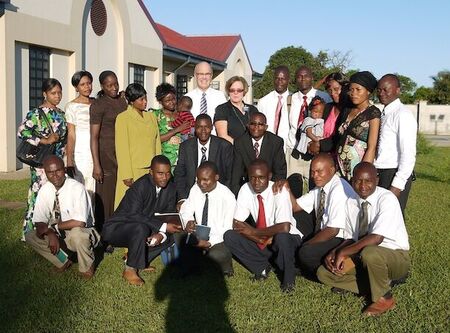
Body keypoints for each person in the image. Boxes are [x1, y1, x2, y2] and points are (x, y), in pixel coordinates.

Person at [317, 162, 410, 316]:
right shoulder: (351, 202)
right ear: (352, 181)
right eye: (358, 180)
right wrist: (335, 252)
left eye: (368, 181)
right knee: (324, 272)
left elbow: (377, 238)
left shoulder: (387, 199)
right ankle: (378, 285)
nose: (363, 185)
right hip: (364, 257)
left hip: (395, 258)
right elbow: (351, 238)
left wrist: (344, 252)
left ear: (377, 181)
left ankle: (384, 298)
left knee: (370, 252)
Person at [101, 155, 182, 286]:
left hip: (145, 226)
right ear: (151, 172)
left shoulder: (171, 188)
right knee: (141, 228)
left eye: (168, 173)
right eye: (160, 173)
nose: (165, 177)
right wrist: (162, 226)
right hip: (117, 229)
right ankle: (130, 269)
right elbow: (134, 215)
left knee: (172, 235)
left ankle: (139, 259)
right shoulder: (140, 186)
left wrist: (161, 234)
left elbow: (166, 215)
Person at [224, 159, 303, 293]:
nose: (256, 182)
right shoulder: (246, 189)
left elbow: (284, 227)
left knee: (282, 238)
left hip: (288, 240)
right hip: (264, 240)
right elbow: (237, 223)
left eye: (261, 178)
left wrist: (254, 232)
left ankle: (288, 280)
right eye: (252, 177)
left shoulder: (279, 190)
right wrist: (258, 238)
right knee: (229, 236)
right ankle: (262, 267)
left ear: (269, 176)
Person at [274, 153, 356, 277]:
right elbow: (296, 206)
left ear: (332, 170)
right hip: (323, 229)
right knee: (294, 217)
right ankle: (296, 251)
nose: (314, 176)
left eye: (319, 172)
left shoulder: (338, 190)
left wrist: (308, 244)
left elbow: (333, 230)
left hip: (340, 239)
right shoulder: (321, 186)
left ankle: (314, 270)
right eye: (312, 172)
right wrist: (287, 188)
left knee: (306, 253)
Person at [25, 156, 99, 279]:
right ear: (45, 173)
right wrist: (49, 232)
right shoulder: (45, 190)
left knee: (77, 234)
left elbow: (79, 222)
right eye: (50, 172)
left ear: (64, 170)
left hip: (82, 232)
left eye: (58, 171)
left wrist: (53, 228)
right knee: (31, 236)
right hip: (59, 232)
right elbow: (39, 221)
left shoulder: (77, 188)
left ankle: (87, 266)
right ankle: (63, 261)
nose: (55, 176)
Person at [18, 78, 67, 237]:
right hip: (41, 163)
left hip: (58, 161)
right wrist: (44, 140)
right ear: (44, 94)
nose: (57, 96)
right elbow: (22, 132)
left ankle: (52, 231)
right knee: (38, 194)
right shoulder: (35, 114)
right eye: (53, 93)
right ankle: (30, 233)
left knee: (55, 195)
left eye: (59, 92)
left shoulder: (61, 114)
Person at [179, 162, 236, 275]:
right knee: (178, 236)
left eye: (205, 180)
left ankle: (225, 267)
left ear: (216, 177)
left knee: (216, 255)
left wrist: (208, 243)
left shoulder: (228, 197)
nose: (201, 183)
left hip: (219, 239)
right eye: (198, 179)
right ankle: (197, 260)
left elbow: (228, 229)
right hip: (199, 234)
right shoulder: (195, 189)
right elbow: (186, 209)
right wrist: (189, 221)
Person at [89, 70, 127, 229]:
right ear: (102, 86)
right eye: (109, 85)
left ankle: (118, 228)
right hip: (106, 156)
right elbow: (94, 137)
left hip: (122, 153)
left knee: (120, 194)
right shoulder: (98, 105)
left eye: (116, 84)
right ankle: (104, 232)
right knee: (106, 196)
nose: (114, 88)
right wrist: (96, 165)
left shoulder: (122, 100)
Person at [114, 83, 161, 208]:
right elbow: (121, 147)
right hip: (132, 170)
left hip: (150, 169)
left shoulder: (151, 117)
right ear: (131, 101)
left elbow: (157, 143)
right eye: (141, 99)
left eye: (146, 98)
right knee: (129, 205)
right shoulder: (123, 118)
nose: (145, 102)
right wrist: (126, 174)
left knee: (148, 204)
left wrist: (159, 166)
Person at [375, 74, 417, 214]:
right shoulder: (385, 113)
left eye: (386, 90)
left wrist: (397, 186)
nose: (381, 93)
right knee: (380, 219)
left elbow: (408, 153)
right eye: (379, 90)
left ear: (397, 91)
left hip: (393, 173)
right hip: (380, 173)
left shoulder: (402, 114)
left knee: (392, 220)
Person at [174, 114, 233, 202]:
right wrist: (182, 198)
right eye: (199, 127)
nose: (203, 131)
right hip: (191, 195)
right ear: (194, 127)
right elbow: (179, 174)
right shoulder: (186, 146)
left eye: (206, 127)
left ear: (212, 127)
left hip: (217, 194)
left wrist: (223, 198)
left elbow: (229, 175)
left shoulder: (224, 146)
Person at [336, 71, 381, 181]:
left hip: (357, 168)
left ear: (368, 91)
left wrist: (363, 174)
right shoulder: (347, 110)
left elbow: (372, 147)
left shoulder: (373, 113)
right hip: (339, 167)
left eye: (358, 90)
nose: (353, 93)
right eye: (351, 89)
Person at [286, 66, 331, 176]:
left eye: (306, 76)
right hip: (294, 151)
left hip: (315, 152)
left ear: (312, 78)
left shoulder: (324, 97)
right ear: (295, 79)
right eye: (299, 77)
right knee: (293, 187)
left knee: (314, 188)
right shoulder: (290, 99)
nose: (303, 79)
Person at [231, 112, 286, 195]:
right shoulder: (240, 142)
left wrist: (274, 192)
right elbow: (236, 173)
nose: (256, 127)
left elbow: (280, 171)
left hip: (270, 186)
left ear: (266, 127)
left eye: (260, 124)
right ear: (248, 125)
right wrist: (237, 195)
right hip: (249, 186)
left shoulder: (276, 142)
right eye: (253, 124)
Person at [65, 71, 95, 200]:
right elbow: (71, 134)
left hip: (96, 150)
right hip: (81, 153)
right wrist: (70, 160)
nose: (87, 87)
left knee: (94, 188)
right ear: (76, 87)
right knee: (81, 188)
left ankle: (93, 219)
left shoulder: (97, 103)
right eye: (82, 84)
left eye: (89, 83)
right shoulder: (71, 106)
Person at [308, 72, 350, 155]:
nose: (333, 93)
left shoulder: (350, 110)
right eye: (329, 90)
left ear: (345, 88)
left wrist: (321, 144)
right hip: (322, 157)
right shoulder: (327, 108)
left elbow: (342, 138)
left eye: (336, 89)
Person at [152, 83, 191, 171]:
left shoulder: (183, 113)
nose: (172, 102)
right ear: (160, 102)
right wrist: (178, 129)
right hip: (165, 161)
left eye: (173, 98)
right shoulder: (155, 116)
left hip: (184, 160)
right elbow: (156, 139)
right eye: (167, 100)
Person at [214, 76, 258, 144]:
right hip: (231, 151)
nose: (235, 93)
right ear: (228, 91)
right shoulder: (222, 109)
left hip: (252, 151)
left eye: (239, 90)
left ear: (244, 91)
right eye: (232, 90)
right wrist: (241, 147)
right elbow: (222, 136)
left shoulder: (253, 109)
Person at [291, 97, 325, 183]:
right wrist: (316, 140)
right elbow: (309, 132)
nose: (317, 114)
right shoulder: (308, 120)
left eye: (320, 112)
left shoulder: (321, 120)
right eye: (315, 112)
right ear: (310, 111)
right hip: (309, 143)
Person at [257, 66, 291, 148]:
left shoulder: (294, 100)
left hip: (287, 147)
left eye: (283, 79)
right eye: (277, 78)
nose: (279, 82)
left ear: (288, 80)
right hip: (267, 146)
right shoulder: (263, 101)